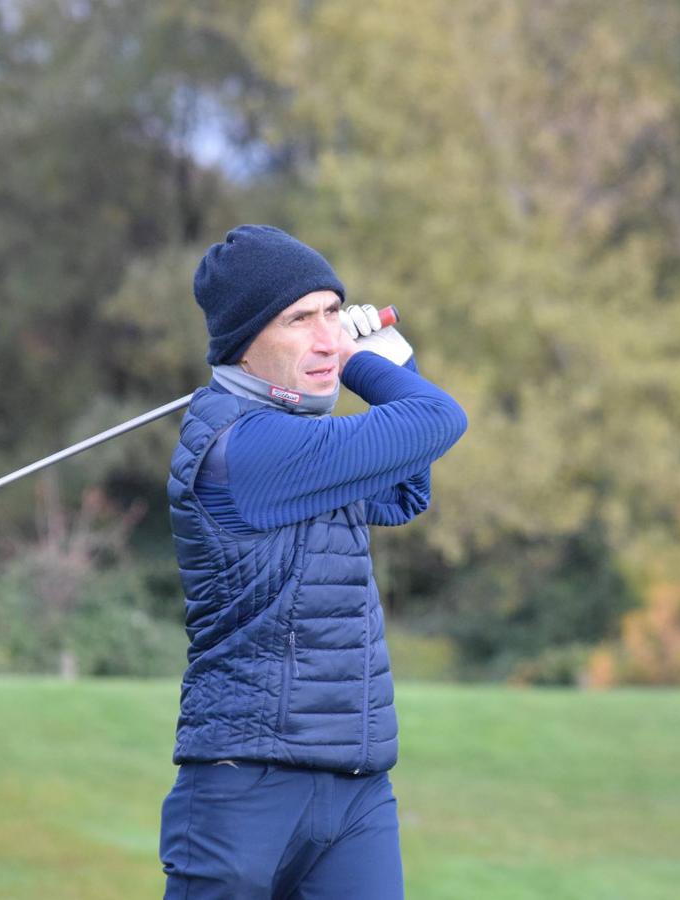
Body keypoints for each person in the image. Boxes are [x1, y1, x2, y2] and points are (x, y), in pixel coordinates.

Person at [158, 224, 468, 899]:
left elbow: (408, 485)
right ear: (244, 342)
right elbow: (439, 419)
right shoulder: (245, 449)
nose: (327, 334)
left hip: (354, 792)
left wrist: (392, 359)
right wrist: (362, 359)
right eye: (301, 320)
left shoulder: (304, 440)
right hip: (244, 792)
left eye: (334, 311)